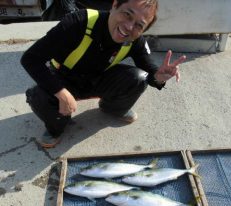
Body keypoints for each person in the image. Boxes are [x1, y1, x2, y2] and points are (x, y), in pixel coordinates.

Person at [21, 0, 186, 148]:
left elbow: (150, 69)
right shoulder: (77, 22)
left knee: (139, 78)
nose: (129, 27)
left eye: (139, 25)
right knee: (38, 95)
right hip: (63, 78)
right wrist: (61, 92)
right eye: (127, 15)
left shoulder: (136, 41)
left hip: (97, 79)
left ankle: (113, 108)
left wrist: (158, 76)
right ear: (114, 5)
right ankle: (56, 127)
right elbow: (30, 58)